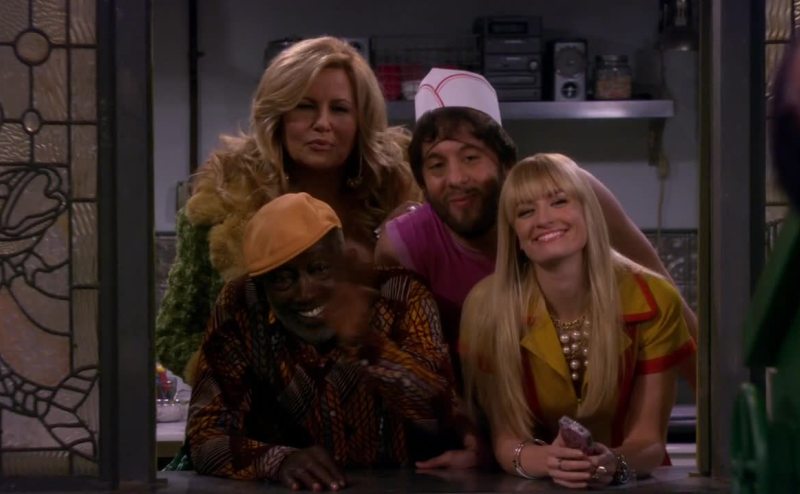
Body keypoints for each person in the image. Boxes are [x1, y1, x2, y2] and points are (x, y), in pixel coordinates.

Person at [376, 68, 698, 388]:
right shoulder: (403, 245)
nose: (456, 179)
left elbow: (666, 304)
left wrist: (712, 399)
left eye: (471, 158)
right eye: (436, 165)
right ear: (422, 180)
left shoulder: (572, 196)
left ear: (506, 163)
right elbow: (401, 372)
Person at [156, 36, 419, 380]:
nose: (322, 123)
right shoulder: (222, 203)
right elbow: (174, 333)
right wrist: (244, 383)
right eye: (305, 107)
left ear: (361, 122)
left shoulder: (402, 197)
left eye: (339, 109)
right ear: (278, 115)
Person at [187, 193, 457, 490]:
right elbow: (204, 438)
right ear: (262, 285)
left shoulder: (400, 294)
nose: (307, 292)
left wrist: (369, 346)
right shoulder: (240, 304)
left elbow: (441, 416)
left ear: (345, 261)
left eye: (319, 268)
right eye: (283, 279)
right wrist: (278, 460)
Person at [459, 154, 696, 488]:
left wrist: (614, 463)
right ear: (515, 235)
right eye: (525, 212)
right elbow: (506, 441)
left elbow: (649, 442)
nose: (543, 219)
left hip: (632, 484)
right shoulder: (486, 308)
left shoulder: (654, 298)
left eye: (559, 202)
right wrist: (549, 460)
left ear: (589, 212)